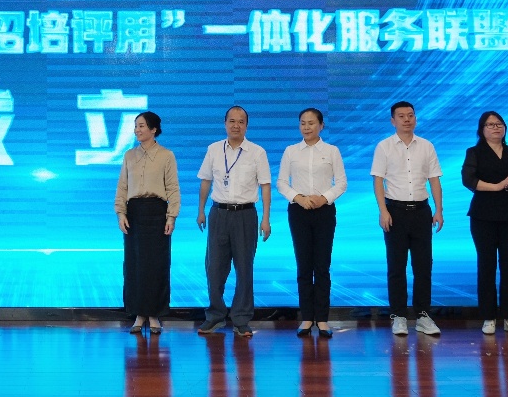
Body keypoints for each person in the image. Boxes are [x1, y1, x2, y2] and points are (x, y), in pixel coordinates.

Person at [195, 106, 270, 338]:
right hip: (219, 213)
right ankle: (215, 315)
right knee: (214, 267)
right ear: (225, 123)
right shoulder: (214, 149)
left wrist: (266, 218)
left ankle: (241, 319)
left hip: (246, 215)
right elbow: (206, 181)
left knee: (244, 268)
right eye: (232, 121)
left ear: (246, 125)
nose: (236, 125)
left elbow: (265, 186)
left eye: (241, 122)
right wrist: (201, 211)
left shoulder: (257, 152)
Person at [371, 101, 444, 336]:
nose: (406, 119)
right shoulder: (384, 146)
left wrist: (439, 210)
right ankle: (399, 316)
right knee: (396, 266)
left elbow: (434, 179)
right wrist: (383, 211)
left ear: (415, 118)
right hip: (395, 212)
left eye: (410, 115)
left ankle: (423, 316)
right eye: (401, 116)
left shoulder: (426, 146)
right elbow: (378, 180)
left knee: (423, 266)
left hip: (422, 212)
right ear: (393, 121)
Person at [277, 107, 347, 338]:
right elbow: (281, 182)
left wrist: (324, 198)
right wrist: (298, 198)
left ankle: (323, 319)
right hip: (299, 211)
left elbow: (342, 183)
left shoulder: (332, 151)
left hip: (324, 211)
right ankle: (307, 317)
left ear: (321, 126)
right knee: (304, 265)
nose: (306, 127)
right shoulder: (291, 151)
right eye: (303, 123)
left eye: (311, 123)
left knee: (322, 266)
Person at [462, 110, 508, 337]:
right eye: (490, 125)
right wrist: (497, 186)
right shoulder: (474, 152)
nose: (496, 128)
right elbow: (469, 180)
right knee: (486, 263)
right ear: (482, 129)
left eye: (499, 124)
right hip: (483, 213)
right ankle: (488, 316)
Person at [116, 111, 179, 335]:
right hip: (134, 214)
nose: (137, 130)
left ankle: (154, 315)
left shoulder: (166, 155)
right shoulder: (129, 155)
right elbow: (122, 186)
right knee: (135, 266)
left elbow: (173, 188)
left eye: (142, 126)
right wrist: (120, 213)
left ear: (154, 129)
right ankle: (138, 314)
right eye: (136, 126)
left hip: (157, 213)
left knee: (156, 265)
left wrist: (171, 216)